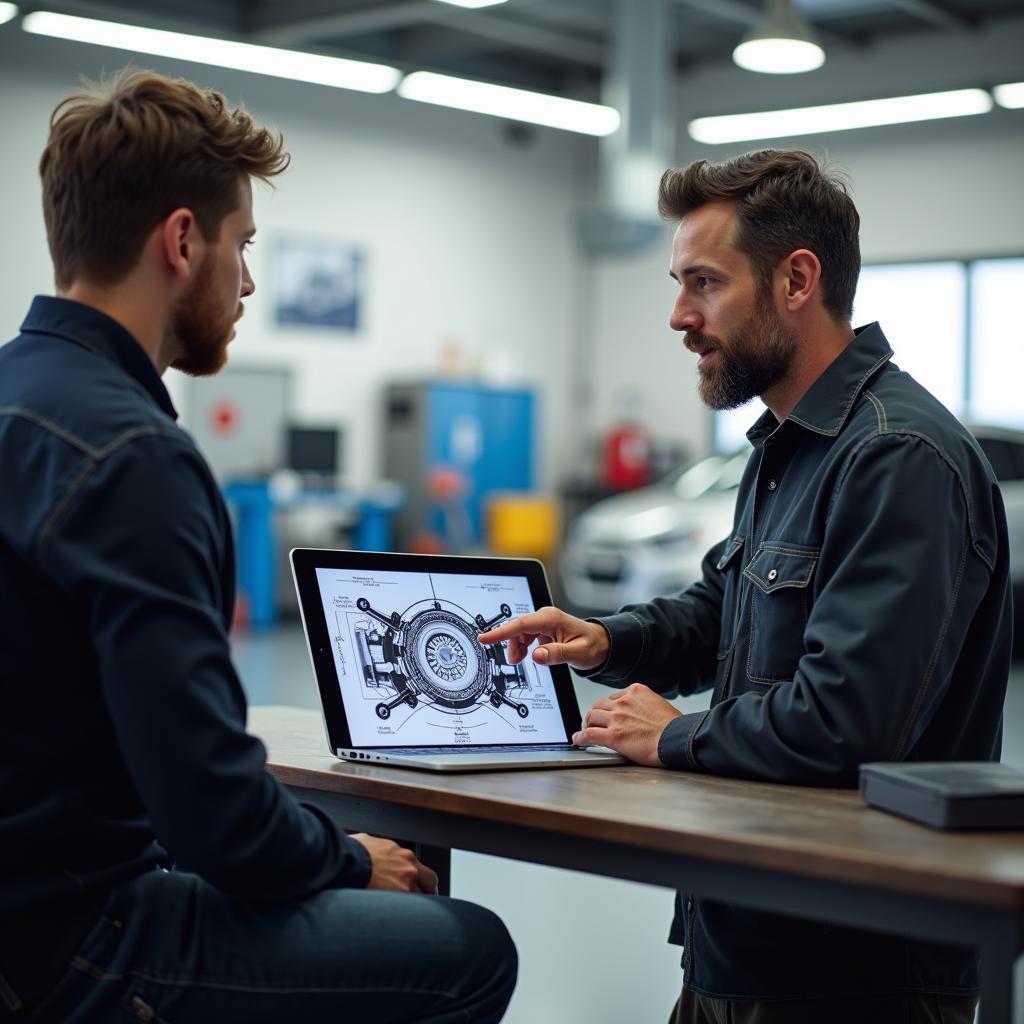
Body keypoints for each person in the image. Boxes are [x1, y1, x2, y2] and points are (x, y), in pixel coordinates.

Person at [0, 68, 516, 1024]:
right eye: (242, 245)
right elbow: (214, 821)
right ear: (182, 240)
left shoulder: (16, 399)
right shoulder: (135, 458)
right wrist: (352, 855)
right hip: (75, 938)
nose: (246, 280)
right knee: (469, 952)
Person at [480, 149, 1010, 1024]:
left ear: (796, 279)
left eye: (704, 282)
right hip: (744, 928)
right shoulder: (788, 447)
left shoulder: (896, 457)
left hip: (853, 967)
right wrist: (609, 640)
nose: (680, 315)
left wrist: (679, 733)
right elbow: (725, 610)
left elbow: (846, 722)